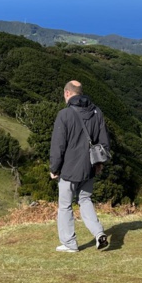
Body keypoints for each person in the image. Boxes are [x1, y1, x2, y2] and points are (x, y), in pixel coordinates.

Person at [49, 80, 110, 252]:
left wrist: (54, 168)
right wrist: (99, 163)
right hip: (89, 166)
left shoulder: (65, 114)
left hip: (68, 168)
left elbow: (58, 145)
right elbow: (104, 141)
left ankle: (69, 243)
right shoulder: (97, 112)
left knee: (65, 206)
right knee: (85, 200)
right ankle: (99, 234)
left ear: (67, 93)